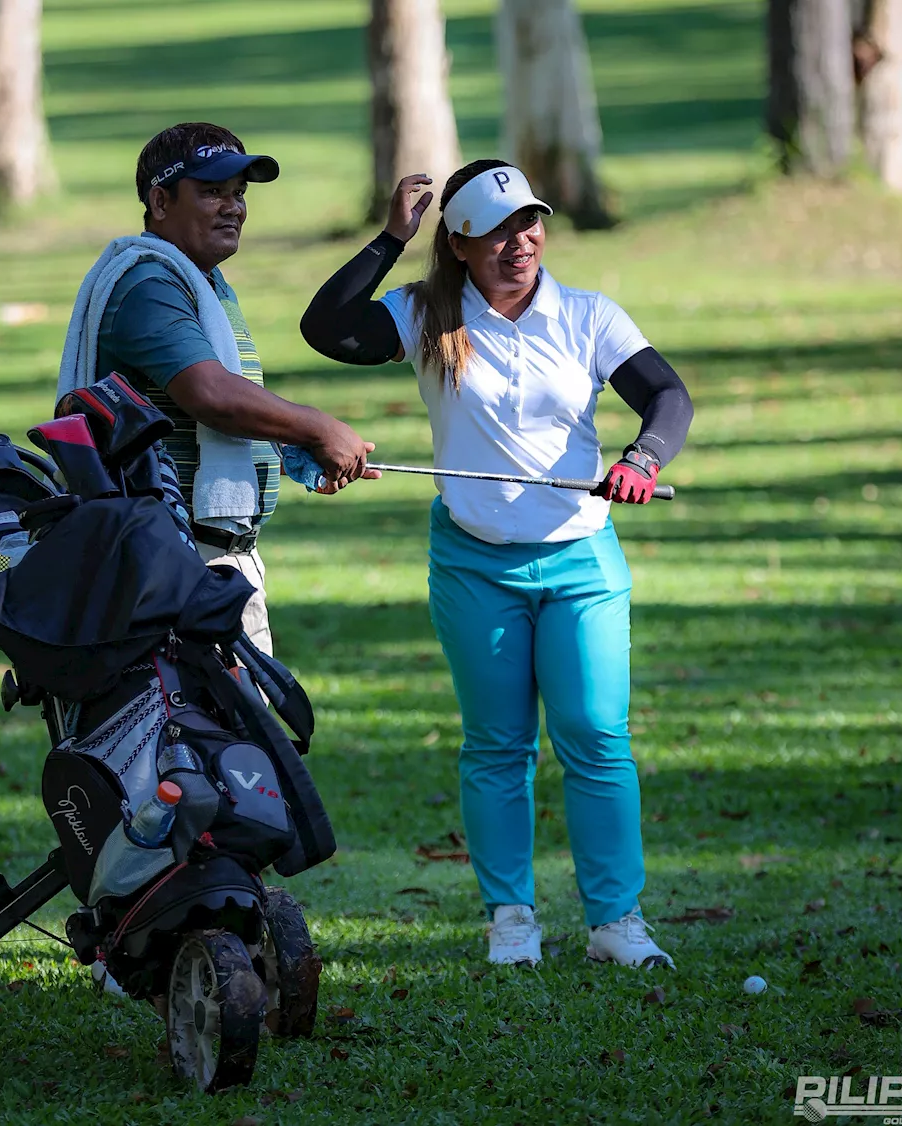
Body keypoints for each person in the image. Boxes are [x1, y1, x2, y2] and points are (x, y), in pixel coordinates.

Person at [300, 161, 694, 968]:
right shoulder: (424, 314)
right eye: (497, 232)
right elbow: (326, 329)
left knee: (595, 736)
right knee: (498, 745)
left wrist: (643, 459)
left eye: (530, 223)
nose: (520, 243)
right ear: (462, 244)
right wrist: (388, 240)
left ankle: (616, 922)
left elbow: (668, 397)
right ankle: (511, 917)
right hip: (474, 566)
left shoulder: (588, 316)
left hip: (582, 560)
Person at [57, 121, 376, 658]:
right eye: (211, 192)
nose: (234, 208)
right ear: (160, 201)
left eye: (239, 194)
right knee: (212, 739)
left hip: (204, 559)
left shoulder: (198, 281)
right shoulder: (148, 285)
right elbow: (212, 395)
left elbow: (215, 409)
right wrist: (318, 427)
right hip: (171, 567)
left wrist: (288, 450)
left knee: (235, 737)